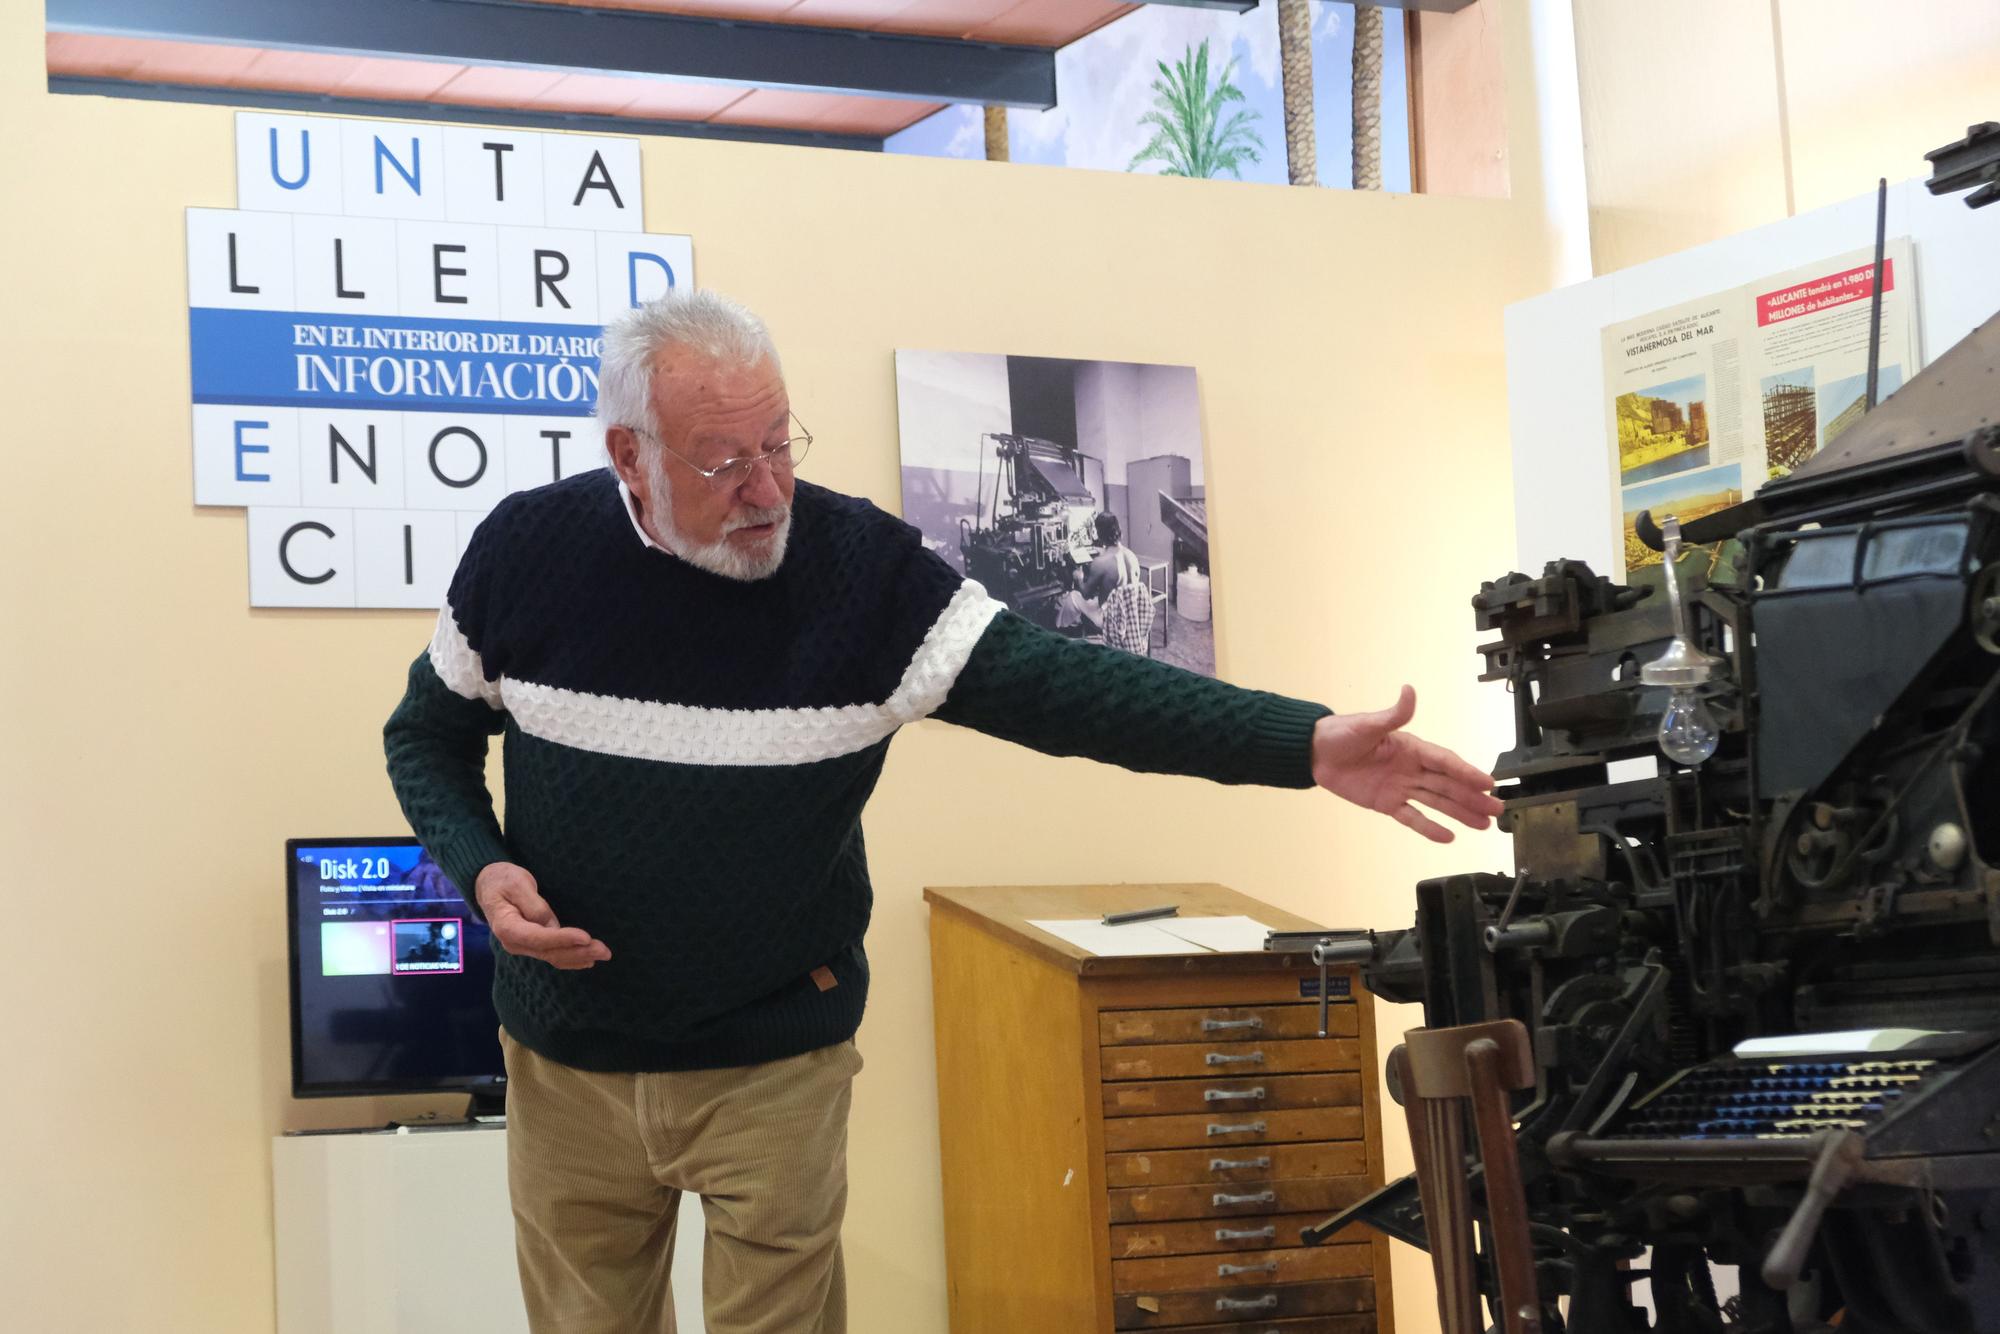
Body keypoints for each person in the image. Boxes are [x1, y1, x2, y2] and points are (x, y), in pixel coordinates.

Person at [381, 289, 1502, 1334]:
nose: (767, 491)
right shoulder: (528, 554)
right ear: (628, 453)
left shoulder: (858, 573)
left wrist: (1296, 743)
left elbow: (1070, 689)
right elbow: (423, 734)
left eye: (779, 444)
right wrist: (478, 867)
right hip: (566, 1057)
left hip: (772, 1058)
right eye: (725, 463)